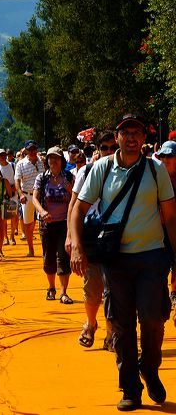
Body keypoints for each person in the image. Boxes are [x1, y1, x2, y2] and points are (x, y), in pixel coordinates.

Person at [70, 115, 176, 411]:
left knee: (154, 318)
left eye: (137, 132)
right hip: (114, 258)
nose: (131, 137)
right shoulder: (102, 169)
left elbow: (170, 216)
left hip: (152, 255)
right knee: (121, 324)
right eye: (125, 132)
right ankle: (130, 388)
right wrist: (77, 245)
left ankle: (149, 367)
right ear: (116, 137)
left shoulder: (156, 170)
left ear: (144, 137)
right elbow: (79, 208)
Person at [67, 130, 118, 350]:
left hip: (115, 235)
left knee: (113, 288)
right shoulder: (86, 171)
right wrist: (71, 237)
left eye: (112, 147)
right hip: (90, 235)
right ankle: (90, 322)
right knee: (92, 287)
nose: (109, 152)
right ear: (97, 150)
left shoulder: (123, 172)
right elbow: (74, 205)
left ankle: (110, 332)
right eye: (104, 148)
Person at [33, 146, 74, 302]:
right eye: (50, 158)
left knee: (63, 257)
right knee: (48, 257)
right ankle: (51, 287)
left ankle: (64, 292)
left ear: (61, 160)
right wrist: (42, 212)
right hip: (47, 224)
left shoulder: (69, 177)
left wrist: (70, 190)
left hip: (64, 223)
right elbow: (35, 199)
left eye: (56, 157)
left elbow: (75, 199)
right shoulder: (42, 178)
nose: (53, 160)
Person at [153, 141, 176, 315]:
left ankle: (174, 292)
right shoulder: (155, 177)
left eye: (170, 155)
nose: (165, 159)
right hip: (157, 229)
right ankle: (162, 295)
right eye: (162, 156)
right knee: (159, 265)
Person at [15, 140, 45, 257]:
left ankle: (45, 249)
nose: (32, 151)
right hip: (27, 196)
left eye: (34, 149)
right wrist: (21, 194)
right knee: (28, 224)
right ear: (26, 151)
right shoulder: (20, 164)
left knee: (43, 222)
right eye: (30, 149)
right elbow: (17, 182)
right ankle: (31, 249)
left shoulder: (42, 161)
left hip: (41, 195)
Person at [0, 149, 19, 245]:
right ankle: (5, 237)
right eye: (0, 155)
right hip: (3, 194)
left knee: (13, 216)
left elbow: (17, 177)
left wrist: (15, 188)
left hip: (13, 193)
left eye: (3, 155)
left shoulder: (13, 165)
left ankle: (12, 236)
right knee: (4, 218)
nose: (2, 157)